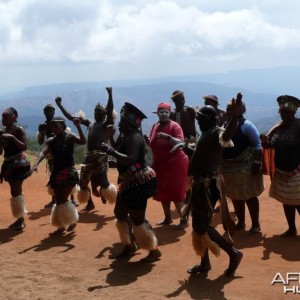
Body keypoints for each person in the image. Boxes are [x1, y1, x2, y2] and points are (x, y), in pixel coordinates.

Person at [184, 93, 243, 277]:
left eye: (201, 119)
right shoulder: (206, 133)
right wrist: (182, 145)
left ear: (210, 119)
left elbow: (227, 134)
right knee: (198, 224)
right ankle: (204, 262)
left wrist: (234, 116)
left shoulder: (217, 132)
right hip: (200, 184)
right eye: (198, 119)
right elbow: (201, 153)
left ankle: (233, 253)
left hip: (208, 186)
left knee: (203, 226)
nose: (199, 122)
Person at [101, 102, 161, 262]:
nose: (119, 122)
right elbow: (121, 150)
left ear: (130, 122)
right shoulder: (125, 135)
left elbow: (131, 159)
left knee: (137, 218)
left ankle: (153, 250)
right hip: (127, 182)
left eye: (122, 120)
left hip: (138, 182)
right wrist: (110, 139)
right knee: (119, 213)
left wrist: (111, 152)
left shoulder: (135, 137)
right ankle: (130, 244)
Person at [55, 87, 117, 211]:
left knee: (104, 182)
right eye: (95, 112)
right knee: (82, 182)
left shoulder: (106, 125)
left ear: (105, 115)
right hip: (89, 156)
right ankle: (90, 202)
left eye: (99, 112)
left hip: (101, 156)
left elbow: (110, 109)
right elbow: (72, 117)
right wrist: (59, 105)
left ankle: (118, 204)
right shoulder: (90, 123)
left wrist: (110, 94)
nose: (96, 114)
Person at [29, 117, 86, 234]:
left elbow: (83, 141)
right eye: (52, 126)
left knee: (62, 199)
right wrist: (35, 164)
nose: (53, 128)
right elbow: (43, 152)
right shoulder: (51, 140)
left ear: (63, 126)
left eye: (56, 126)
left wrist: (79, 126)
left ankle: (72, 221)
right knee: (59, 200)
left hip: (69, 172)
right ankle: (61, 225)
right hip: (56, 173)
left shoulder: (70, 137)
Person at [221, 100, 264, 233]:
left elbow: (257, 145)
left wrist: (257, 163)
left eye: (234, 109)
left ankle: (256, 224)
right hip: (229, 168)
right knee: (235, 196)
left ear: (241, 111)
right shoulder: (224, 126)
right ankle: (241, 221)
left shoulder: (247, 126)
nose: (230, 112)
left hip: (246, 167)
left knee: (250, 196)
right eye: (229, 109)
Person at [261, 95, 300, 237]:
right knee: (286, 201)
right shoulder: (277, 128)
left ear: (294, 113)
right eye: (282, 113)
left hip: (297, 172)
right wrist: (265, 142)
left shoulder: (299, 126)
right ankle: (291, 229)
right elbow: (271, 145)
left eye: (287, 113)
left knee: (298, 201)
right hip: (281, 171)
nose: (284, 115)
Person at [149, 102, 189, 229]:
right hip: (160, 164)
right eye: (161, 111)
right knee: (162, 191)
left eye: (166, 112)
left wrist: (168, 137)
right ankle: (168, 218)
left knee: (176, 192)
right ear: (158, 113)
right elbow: (152, 142)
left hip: (175, 164)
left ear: (169, 113)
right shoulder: (155, 125)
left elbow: (181, 143)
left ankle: (184, 220)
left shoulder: (175, 126)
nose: (164, 114)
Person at [0, 107, 31, 230]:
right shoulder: (3, 132)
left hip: (19, 163)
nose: (3, 120)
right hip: (8, 163)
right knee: (15, 191)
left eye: (5, 118)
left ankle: (21, 219)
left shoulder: (18, 130)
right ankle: (19, 218)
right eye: (2, 118)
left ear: (13, 118)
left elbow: (24, 146)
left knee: (15, 190)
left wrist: (12, 138)